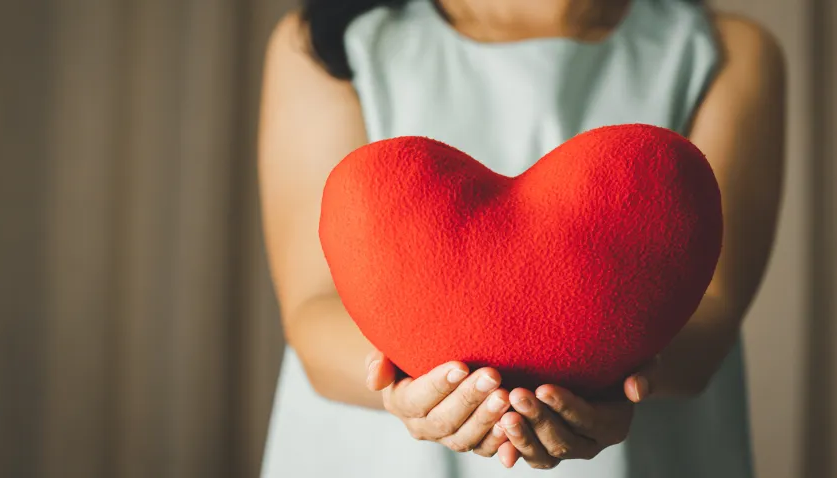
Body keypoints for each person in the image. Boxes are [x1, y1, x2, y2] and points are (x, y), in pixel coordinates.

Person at [257, 0, 785, 476]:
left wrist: (609, 381)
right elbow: (312, 307)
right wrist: (410, 393)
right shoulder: (329, 41)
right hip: (380, 456)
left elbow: (712, 309)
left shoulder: (727, 51)